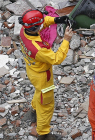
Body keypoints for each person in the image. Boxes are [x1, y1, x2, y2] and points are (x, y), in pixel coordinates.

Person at [19, 10, 73, 140]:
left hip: (32, 70)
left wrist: (57, 20)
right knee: (46, 104)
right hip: (43, 77)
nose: (43, 23)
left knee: (39, 92)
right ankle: (43, 134)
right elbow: (56, 59)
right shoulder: (38, 48)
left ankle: (33, 109)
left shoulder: (24, 30)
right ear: (35, 27)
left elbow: (41, 23)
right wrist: (66, 40)